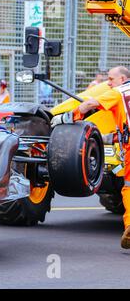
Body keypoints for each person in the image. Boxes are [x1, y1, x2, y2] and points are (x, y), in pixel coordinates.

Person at [51, 66, 130, 249]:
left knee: (128, 187)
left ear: (122, 78)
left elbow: (90, 104)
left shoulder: (118, 93)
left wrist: (68, 117)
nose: (108, 83)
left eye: (111, 79)